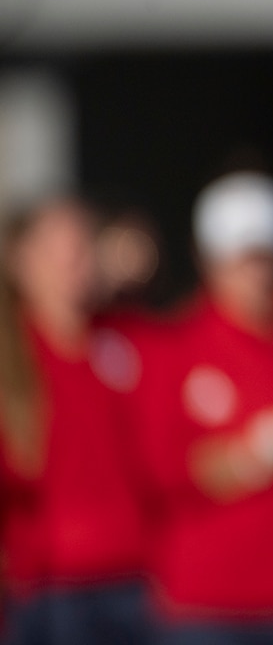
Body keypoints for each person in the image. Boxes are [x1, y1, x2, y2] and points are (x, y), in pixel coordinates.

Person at [133, 172, 273, 644]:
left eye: (267, 257)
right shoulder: (174, 349)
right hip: (212, 605)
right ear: (208, 260)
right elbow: (181, 471)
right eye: (240, 259)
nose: (257, 273)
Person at [0, 197, 152, 645]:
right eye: (56, 251)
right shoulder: (15, 357)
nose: (72, 262)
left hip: (136, 576)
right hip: (49, 587)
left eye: (82, 247)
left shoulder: (129, 343)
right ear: (21, 262)